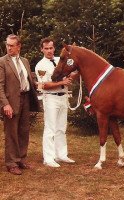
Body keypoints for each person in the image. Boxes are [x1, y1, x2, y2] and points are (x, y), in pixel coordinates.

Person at [0, 34, 41, 175]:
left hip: (25, 100)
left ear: (19, 46)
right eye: (7, 45)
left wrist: (37, 85)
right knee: (11, 133)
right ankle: (11, 163)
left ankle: (21, 159)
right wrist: (5, 104)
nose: (9, 48)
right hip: (11, 102)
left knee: (24, 131)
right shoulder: (2, 62)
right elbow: (0, 85)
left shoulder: (25, 61)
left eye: (12, 45)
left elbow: (27, 79)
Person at [35, 37, 75, 167]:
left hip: (63, 97)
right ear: (42, 49)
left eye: (51, 48)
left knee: (61, 128)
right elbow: (43, 85)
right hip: (51, 98)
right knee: (50, 128)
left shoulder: (59, 60)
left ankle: (61, 155)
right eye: (46, 48)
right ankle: (48, 158)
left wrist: (71, 77)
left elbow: (72, 68)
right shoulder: (40, 65)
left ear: (54, 48)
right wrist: (62, 82)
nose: (49, 51)